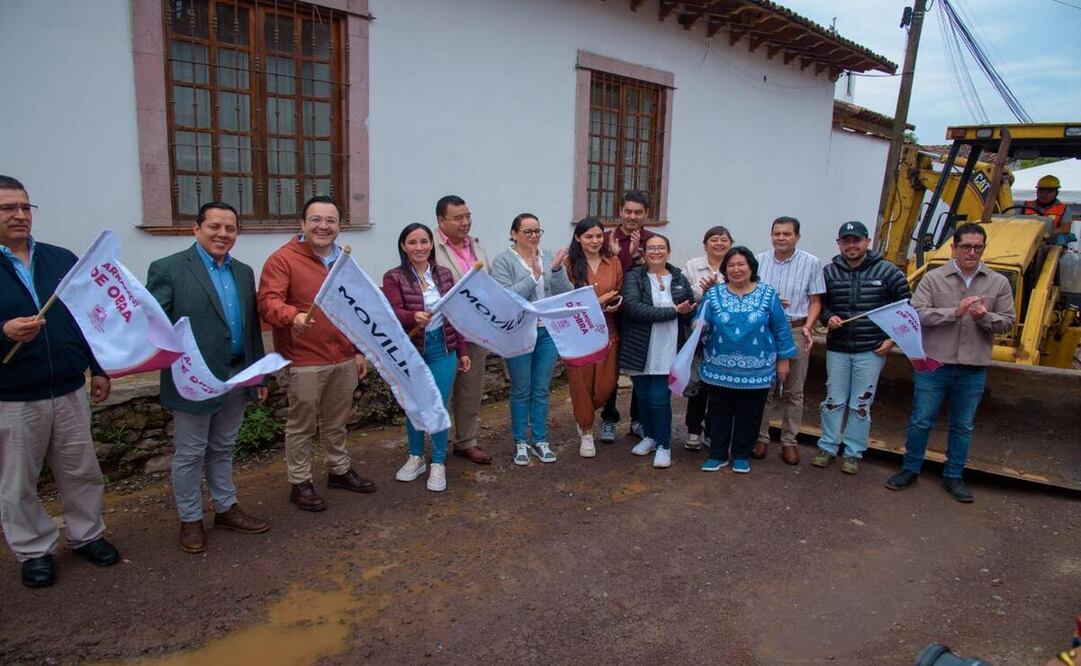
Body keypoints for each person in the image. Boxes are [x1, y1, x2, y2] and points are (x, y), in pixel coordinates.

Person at [0, 175, 120, 587]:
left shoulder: (59, 259)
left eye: (25, 207)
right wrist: (3, 332)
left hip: (68, 387)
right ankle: (34, 549)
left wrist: (98, 368)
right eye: (8, 208)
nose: (19, 215)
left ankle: (87, 535)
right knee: (18, 481)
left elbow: (87, 317)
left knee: (80, 470)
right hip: (14, 396)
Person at [146, 202, 271, 553]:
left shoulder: (243, 272)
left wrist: (259, 375)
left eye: (230, 228)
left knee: (223, 448)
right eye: (215, 226)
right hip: (192, 380)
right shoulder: (168, 269)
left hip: (236, 374)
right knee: (190, 453)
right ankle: (190, 519)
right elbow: (155, 326)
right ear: (196, 229)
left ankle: (226, 508)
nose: (223, 234)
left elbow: (251, 329)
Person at [257, 195, 375, 511]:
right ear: (303, 224)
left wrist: (358, 350)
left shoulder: (344, 261)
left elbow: (355, 308)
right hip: (304, 359)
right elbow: (268, 302)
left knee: (337, 421)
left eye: (331, 220)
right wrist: (292, 316)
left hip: (343, 357)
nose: (324, 226)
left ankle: (339, 469)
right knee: (302, 426)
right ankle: (300, 482)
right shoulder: (282, 260)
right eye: (316, 220)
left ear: (339, 226)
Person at [886, 223, 1015, 502]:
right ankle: (910, 469)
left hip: (973, 367)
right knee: (921, 420)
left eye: (978, 247)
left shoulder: (998, 283)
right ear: (954, 247)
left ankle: (954, 475)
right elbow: (917, 313)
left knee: (963, 425)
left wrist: (984, 317)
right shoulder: (934, 279)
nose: (972, 252)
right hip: (935, 363)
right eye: (966, 246)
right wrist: (955, 312)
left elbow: (1008, 323)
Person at [811, 221, 910, 475]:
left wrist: (892, 339)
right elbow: (821, 304)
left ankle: (853, 452)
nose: (851, 245)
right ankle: (827, 446)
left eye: (856, 240)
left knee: (861, 404)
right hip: (838, 348)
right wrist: (829, 317)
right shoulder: (829, 272)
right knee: (833, 400)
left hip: (871, 349)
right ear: (839, 244)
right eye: (846, 241)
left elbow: (905, 308)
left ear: (867, 241)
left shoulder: (888, 272)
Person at [383, 223, 470, 492]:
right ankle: (416, 457)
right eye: (412, 242)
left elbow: (454, 314)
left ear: (432, 244)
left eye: (424, 241)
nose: (419, 247)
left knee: (438, 406)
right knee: (415, 404)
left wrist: (462, 351)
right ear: (403, 246)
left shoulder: (444, 275)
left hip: (443, 349)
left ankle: (439, 462)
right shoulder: (394, 277)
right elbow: (391, 310)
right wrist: (413, 316)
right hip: (412, 351)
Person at [699, 246, 797, 474]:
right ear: (725, 270)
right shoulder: (713, 294)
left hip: (757, 368)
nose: (736, 269)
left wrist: (783, 360)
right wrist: (698, 323)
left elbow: (780, 328)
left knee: (750, 413)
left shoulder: (768, 294)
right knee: (718, 413)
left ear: (751, 267)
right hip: (719, 367)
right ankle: (717, 455)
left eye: (741, 264)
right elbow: (701, 319)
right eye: (731, 265)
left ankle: (741, 455)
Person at [490, 213, 572, 465]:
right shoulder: (503, 261)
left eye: (537, 231)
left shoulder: (548, 256)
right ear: (513, 234)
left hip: (546, 331)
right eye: (528, 231)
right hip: (518, 333)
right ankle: (520, 441)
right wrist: (533, 276)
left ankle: (540, 439)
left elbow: (565, 292)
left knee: (541, 388)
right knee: (521, 389)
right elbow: (506, 299)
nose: (534, 236)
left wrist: (556, 270)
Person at [618, 234, 695, 469]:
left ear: (668, 252)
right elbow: (634, 308)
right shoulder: (635, 276)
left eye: (661, 248)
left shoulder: (679, 277)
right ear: (644, 252)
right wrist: (674, 311)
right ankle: (650, 436)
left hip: (669, 347)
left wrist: (687, 312)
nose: (656, 252)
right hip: (640, 347)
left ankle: (664, 445)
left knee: (659, 399)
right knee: (642, 396)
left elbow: (689, 310)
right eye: (651, 248)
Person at [754, 216, 823, 465]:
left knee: (794, 391)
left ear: (797, 237)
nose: (781, 238)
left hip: (796, 330)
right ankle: (760, 438)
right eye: (777, 233)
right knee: (764, 388)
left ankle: (789, 441)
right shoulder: (759, 261)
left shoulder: (811, 262)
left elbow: (816, 301)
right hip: (765, 332)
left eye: (787, 234)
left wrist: (808, 326)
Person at [432, 195, 494, 465]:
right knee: (441, 392)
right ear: (441, 220)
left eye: (468, 216)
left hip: (475, 333)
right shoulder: (430, 246)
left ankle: (466, 442)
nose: (465, 222)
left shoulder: (476, 246)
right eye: (458, 218)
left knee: (470, 392)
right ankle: (438, 446)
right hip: (443, 334)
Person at [563, 217, 623, 458]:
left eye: (599, 236)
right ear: (578, 238)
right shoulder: (569, 264)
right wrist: (596, 303)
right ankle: (586, 430)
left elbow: (618, 291)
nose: (595, 241)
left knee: (605, 386)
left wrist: (615, 303)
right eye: (589, 236)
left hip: (608, 331)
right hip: (579, 334)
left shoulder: (614, 262)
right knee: (581, 384)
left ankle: (585, 413)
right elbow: (566, 301)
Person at [600, 190, 657, 441]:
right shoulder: (604, 239)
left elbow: (658, 275)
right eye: (628, 211)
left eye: (638, 212)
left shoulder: (653, 241)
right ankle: (609, 419)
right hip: (610, 314)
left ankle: (638, 420)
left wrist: (640, 260)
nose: (632, 216)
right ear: (620, 211)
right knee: (610, 369)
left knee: (639, 368)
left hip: (639, 314)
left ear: (646, 214)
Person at [682, 225, 734, 450]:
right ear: (705, 245)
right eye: (714, 239)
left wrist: (715, 292)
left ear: (730, 243)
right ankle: (694, 430)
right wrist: (705, 293)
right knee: (698, 382)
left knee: (719, 386)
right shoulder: (692, 266)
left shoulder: (735, 265)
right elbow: (684, 294)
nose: (719, 243)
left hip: (726, 335)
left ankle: (713, 432)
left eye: (724, 239)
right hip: (697, 333)